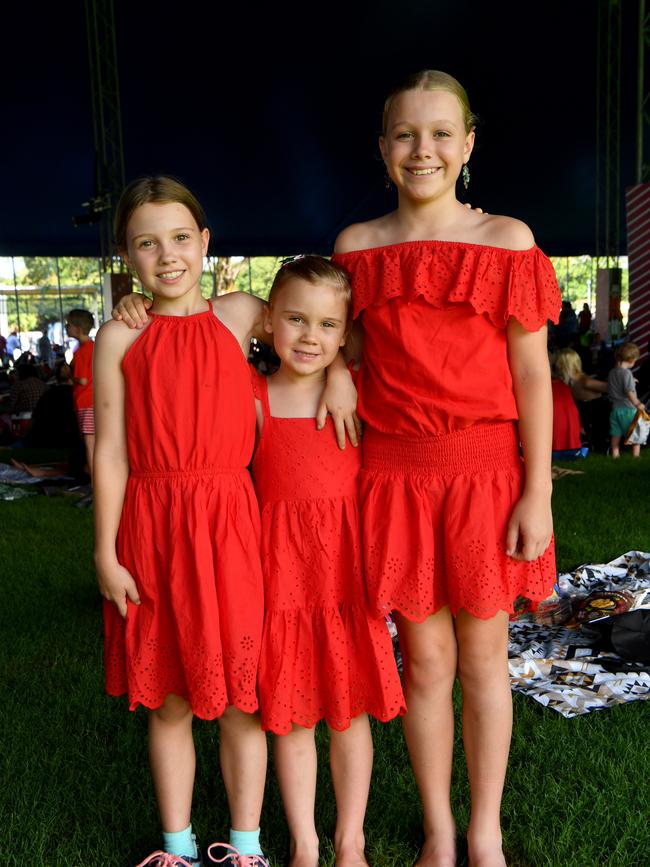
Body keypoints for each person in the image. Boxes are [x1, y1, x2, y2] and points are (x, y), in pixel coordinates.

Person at [331, 71, 560, 867]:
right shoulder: (357, 247)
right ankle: (436, 828)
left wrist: (537, 489)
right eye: (404, 134)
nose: (421, 149)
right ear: (383, 149)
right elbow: (339, 341)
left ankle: (485, 829)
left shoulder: (508, 240)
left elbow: (532, 373)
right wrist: (333, 368)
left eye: (439, 134)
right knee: (423, 658)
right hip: (392, 473)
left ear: (467, 145)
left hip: (485, 473)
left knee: (482, 656)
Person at [97, 176, 356, 867]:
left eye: (181, 237)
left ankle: (245, 844)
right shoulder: (119, 338)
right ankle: (176, 846)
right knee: (170, 696)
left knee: (244, 690)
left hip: (229, 521)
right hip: (151, 523)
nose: (168, 254)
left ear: (205, 242)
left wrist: (344, 374)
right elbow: (112, 449)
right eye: (147, 243)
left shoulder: (240, 313)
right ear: (127, 255)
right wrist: (105, 550)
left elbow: (317, 323)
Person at [251, 256, 405, 867]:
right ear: (268, 322)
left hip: (345, 577)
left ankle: (350, 839)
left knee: (346, 713)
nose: (309, 336)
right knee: (289, 718)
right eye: (294, 319)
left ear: (345, 333)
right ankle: (305, 843)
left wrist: (342, 370)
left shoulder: (359, 395)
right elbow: (211, 315)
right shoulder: (251, 396)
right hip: (279, 579)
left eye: (325, 325)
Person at [553, 347, 608, 451]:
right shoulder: (584, 380)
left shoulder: (565, 382)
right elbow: (608, 388)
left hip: (581, 411)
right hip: (596, 410)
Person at [66, 309, 96, 482]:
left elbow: (83, 380)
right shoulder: (94, 347)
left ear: (77, 329)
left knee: (90, 445)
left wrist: (70, 375)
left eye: (68, 325)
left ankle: (94, 484)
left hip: (86, 401)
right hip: (95, 401)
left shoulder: (82, 351)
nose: (66, 328)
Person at [607, 341, 645, 459]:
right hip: (628, 409)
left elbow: (618, 383)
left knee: (616, 434)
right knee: (636, 434)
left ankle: (615, 454)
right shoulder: (627, 373)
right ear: (632, 359)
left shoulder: (612, 372)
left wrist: (630, 380)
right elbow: (629, 392)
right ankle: (636, 456)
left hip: (615, 410)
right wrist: (638, 403)